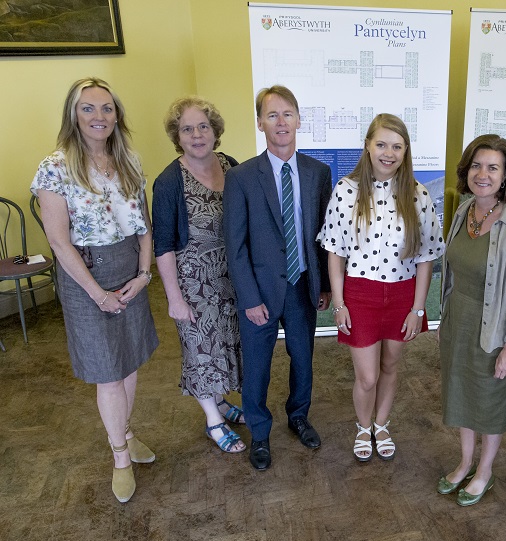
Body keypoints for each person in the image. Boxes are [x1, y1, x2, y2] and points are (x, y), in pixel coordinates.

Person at [32, 77, 159, 503]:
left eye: (106, 108)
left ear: (117, 114)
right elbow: (58, 241)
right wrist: (98, 294)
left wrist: (144, 275)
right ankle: (120, 457)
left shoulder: (129, 161)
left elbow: (144, 226)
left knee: (131, 362)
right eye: (88, 108)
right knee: (107, 372)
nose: (98, 116)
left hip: (130, 268)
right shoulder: (55, 166)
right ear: (74, 115)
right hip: (86, 275)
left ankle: (125, 432)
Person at [318, 113, 444, 462]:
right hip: (360, 294)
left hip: (403, 295)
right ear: (368, 147)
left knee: (390, 366)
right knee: (369, 375)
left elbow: (426, 257)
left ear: (406, 151)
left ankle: (382, 424)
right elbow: (334, 253)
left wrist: (419, 309)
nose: (389, 152)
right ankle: (363, 427)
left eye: (397, 146)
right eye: (382, 144)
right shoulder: (346, 190)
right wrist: (340, 303)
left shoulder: (417, 194)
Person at [223, 85, 332, 471]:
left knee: (303, 358)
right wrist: (250, 298)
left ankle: (299, 415)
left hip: (303, 286)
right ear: (260, 123)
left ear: (299, 120)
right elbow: (234, 246)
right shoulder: (240, 178)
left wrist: (327, 286)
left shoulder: (319, 173)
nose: (281, 122)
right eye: (272, 115)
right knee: (258, 366)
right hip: (261, 293)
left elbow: (323, 233)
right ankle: (260, 432)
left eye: (287, 114)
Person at [437, 134, 506, 506]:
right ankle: (465, 462)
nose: (483, 174)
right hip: (458, 320)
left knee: (490, 400)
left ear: (505, 175)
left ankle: (485, 471)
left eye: (493, 167)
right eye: (477, 165)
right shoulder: (466, 210)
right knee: (463, 393)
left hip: (495, 328)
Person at [152, 96, 245, 454]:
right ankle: (214, 420)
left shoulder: (231, 166)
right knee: (201, 349)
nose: (196, 134)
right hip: (193, 285)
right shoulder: (169, 181)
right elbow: (163, 246)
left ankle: (221, 402)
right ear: (178, 136)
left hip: (232, 278)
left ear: (214, 130)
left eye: (202, 126)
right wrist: (174, 298)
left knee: (225, 346)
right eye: (187, 128)